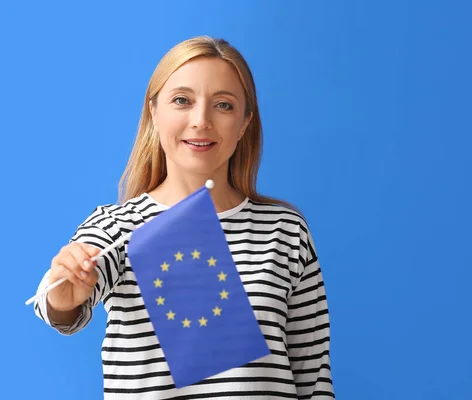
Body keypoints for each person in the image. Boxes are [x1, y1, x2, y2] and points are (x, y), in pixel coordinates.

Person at [33, 36, 335, 399]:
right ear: (154, 113)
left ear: (244, 123)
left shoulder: (285, 231)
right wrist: (64, 292)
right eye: (182, 100)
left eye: (223, 105)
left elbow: (313, 375)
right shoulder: (117, 226)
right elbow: (59, 308)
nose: (201, 120)